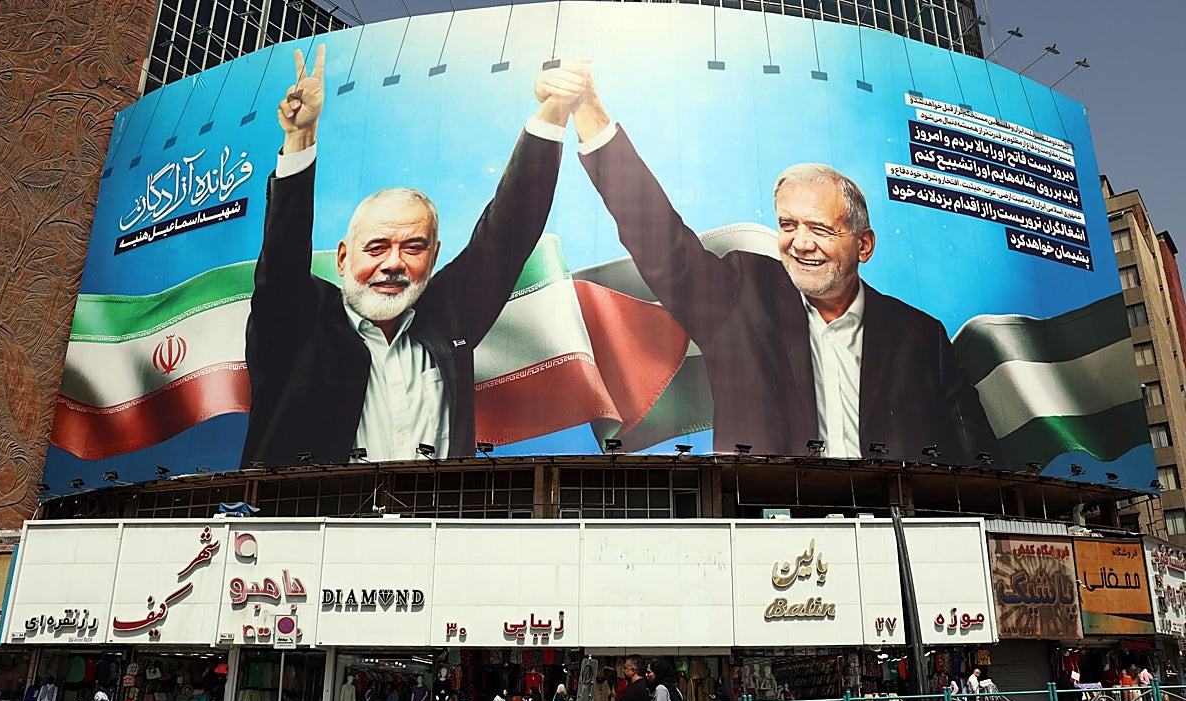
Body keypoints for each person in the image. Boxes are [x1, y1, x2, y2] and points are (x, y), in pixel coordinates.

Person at [567, 69, 1001, 465]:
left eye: (821, 229)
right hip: (771, 534)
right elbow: (660, 241)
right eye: (788, 225)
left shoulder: (921, 337)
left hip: (895, 532)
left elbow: (980, 457)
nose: (801, 243)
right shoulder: (741, 295)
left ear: (864, 245)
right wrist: (590, 115)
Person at [241, 45, 590, 467]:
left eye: (413, 247)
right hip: (314, 527)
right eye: (377, 247)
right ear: (342, 257)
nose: (393, 263)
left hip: (434, 527)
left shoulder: (447, 318)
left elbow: (508, 233)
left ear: (434, 255)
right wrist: (300, 138)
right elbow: (282, 256)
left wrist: (555, 108)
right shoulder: (297, 321)